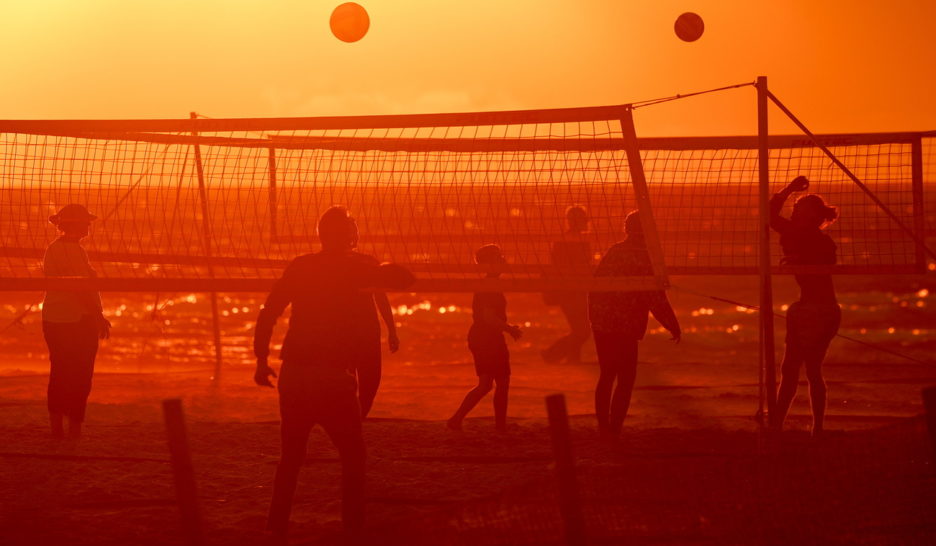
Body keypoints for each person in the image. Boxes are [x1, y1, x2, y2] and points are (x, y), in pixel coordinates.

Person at [253, 206, 414, 538]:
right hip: (333, 379)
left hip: (294, 374)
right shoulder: (362, 267)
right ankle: (353, 528)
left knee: (291, 457)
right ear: (348, 234)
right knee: (354, 457)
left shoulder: (301, 266)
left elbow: (268, 313)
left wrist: (260, 361)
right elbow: (400, 286)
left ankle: (276, 525)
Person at [589, 210, 680, 437]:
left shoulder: (614, 251)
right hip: (625, 324)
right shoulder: (647, 256)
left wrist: (593, 319)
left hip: (602, 322)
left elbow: (594, 287)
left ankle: (603, 428)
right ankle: (615, 429)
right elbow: (654, 297)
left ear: (627, 229)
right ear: (647, 230)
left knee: (607, 374)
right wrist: (671, 323)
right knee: (626, 378)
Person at [768, 176, 840, 437]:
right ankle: (777, 425)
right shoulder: (792, 233)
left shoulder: (821, 241)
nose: (796, 214)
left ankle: (817, 428)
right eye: (796, 210)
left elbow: (826, 262)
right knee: (790, 369)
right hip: (806, 307)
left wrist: (799, 259)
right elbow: (770, 216)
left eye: (802, 212)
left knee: (811, 369)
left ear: (815, 217)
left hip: (823, 310)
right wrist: (788, 189)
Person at [42, 204, 111, 440]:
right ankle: (71, 428)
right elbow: (78, 289)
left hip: (56, 319)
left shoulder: (63, 249)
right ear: (74, 224)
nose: (88, 225)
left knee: (61, 372)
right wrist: (98, 316)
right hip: (75, 320)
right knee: (80, 374)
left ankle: (61, 428)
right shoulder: (68, 250)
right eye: (85, 222)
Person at [448, 244, 522, 433]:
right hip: (487, 338)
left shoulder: (490, 284)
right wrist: (510, 329)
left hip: (482, 337)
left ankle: (457, 419)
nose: (503, 260)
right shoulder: (489, 286)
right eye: (499, 257)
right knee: (499, 383)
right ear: (489, 263)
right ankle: (499, 427)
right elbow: (488, 317)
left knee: (487, 385)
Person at [348, 219, 399, 417]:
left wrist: (392, 331)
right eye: (351, 231)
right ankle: (350, 421)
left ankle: (357, 418)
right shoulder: (328, 265)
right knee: (347, 381)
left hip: (368, 329)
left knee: (371, 382)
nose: (354, 236)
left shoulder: (368, 262)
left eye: (355, 231)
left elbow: (381, 297)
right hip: (343, 330)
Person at [541, 205, 592, 364]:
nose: (587, 221)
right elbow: (574, 265)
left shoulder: (570, 240)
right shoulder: (573, 241)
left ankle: (571, 359)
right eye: (584, 219)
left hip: (575, 290)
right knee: (582, 331)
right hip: (571, 290)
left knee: (580, 329)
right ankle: (552, 354)